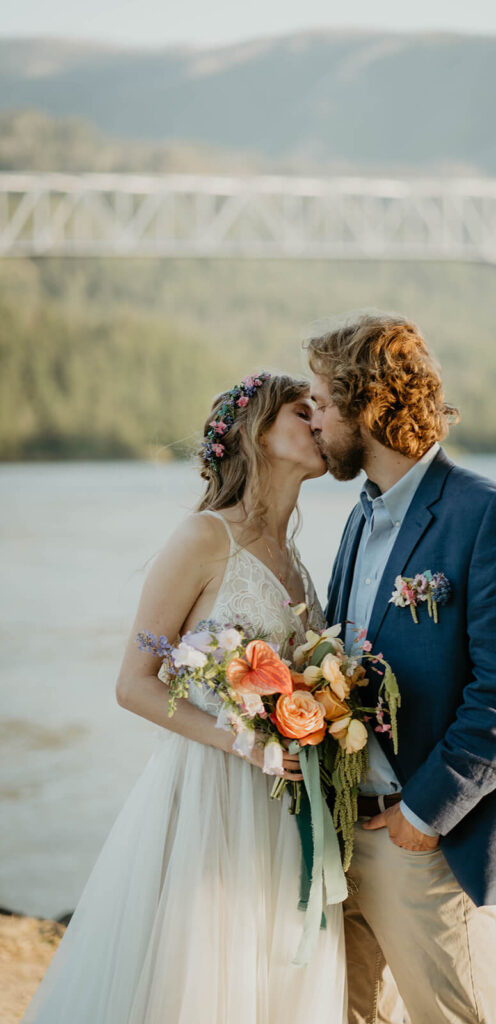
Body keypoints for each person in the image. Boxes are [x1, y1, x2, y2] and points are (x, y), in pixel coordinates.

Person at [22, 373, 347, 1024]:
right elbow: (137, 677)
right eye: (301, 411)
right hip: (213, 792)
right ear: (256, 432)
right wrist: (242, 741)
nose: (318, 422)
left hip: (283, 802)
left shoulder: (293, 557)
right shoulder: (203, 538)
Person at [306, 314, 496, 1024]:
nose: (312, 420)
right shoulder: (358, 516)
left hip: (426, 851)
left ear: (367, 403)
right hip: (345, 840)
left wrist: (422, 817)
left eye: (321, 402)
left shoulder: (487, 513)